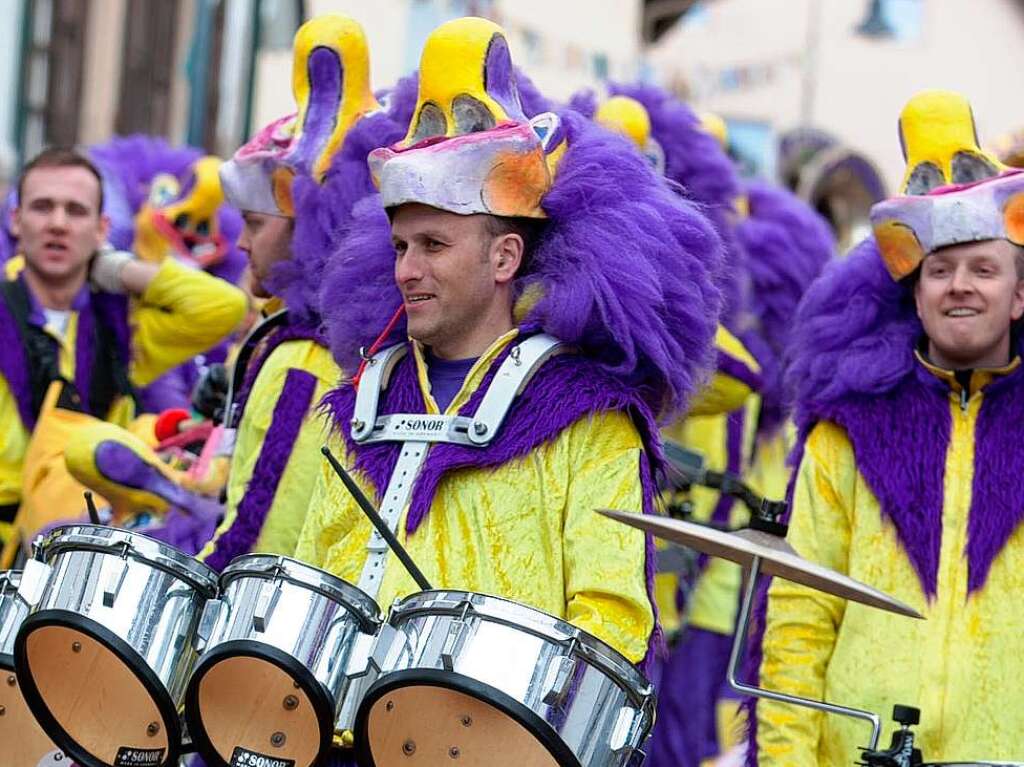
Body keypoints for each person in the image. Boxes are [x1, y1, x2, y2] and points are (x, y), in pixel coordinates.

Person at [296, 14, 723, 692]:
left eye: (434, 246)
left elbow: (610, 626)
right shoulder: (362, 400)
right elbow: (316, 589)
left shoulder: (588, 416)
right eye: (401, 247)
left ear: (504, 255)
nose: (406, 269)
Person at [64, 13, 405, 561]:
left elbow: (257, 532)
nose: (241, 244)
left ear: (310, 229)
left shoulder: (303, 360)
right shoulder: (311, 346)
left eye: (254, 223)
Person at [747, 90, 1024, 765]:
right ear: (916, 290)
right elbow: (798, 624)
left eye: (983, 267)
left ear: (1019, 294)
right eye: (940, 270)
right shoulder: (848, 430)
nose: (960, 285)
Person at [0, 147, 246, 562]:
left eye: (75, 211)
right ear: (16, 220)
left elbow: (224, 307)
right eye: (43, 207)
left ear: (101, 229)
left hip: (82, 550)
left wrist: (115, 269)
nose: (58, 223)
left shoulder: (122, 328)